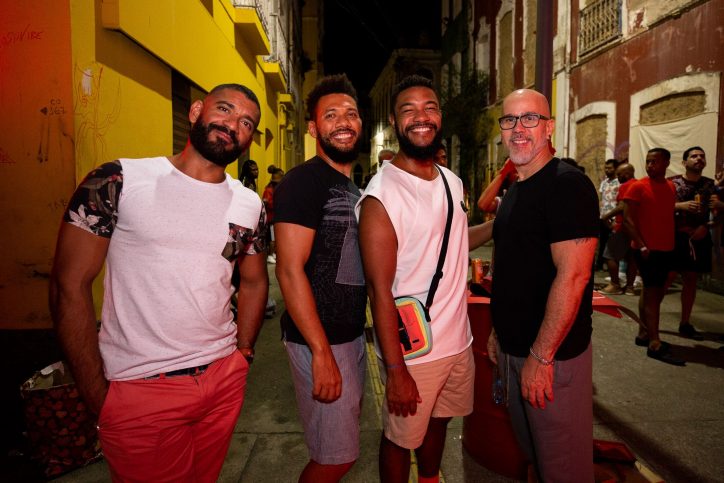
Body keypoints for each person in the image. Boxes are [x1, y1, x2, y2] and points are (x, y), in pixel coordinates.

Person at [49, 83, 268, 481]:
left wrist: (243, 353)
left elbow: (253, 281)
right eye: (224, 109)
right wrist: (98, 396)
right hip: (141, 386)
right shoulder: (118, 180)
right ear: (196, 111)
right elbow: (69, 286)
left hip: (223, 381)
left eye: (246, 122)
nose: (233, 124)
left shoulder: (250, 204)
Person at [358, 75, 474, 483]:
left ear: (440, 116)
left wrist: (504, 223)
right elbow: (378, 292)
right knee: (400, 438)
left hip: (459, 341)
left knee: (440, 422)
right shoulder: (382, 197)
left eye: (430, 108)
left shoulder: (451, 180)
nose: (421, 117)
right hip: (415, 352)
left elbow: (456, 236)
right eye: (409, 110)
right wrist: (396, 370)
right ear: (394, 121)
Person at [487, 88, 599, 482]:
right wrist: (499, 332)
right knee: (536, 458)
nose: (518, 128)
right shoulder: (517, 188)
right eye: (509, 120)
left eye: (530, 118)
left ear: (549, 127)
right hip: (515, 352)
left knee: (563, 469)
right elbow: (514, 267)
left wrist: (542, 355)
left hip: (552, 359)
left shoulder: (567, 185)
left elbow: (574, 276)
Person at [273, 74, 367, 483]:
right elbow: (289, 269)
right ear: (313, 128)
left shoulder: (351, 187)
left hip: (349, 337)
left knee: (338, 449)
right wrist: (322, 352)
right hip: (322, 341)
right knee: (334, 459)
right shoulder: (303, 182)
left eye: (350, 113)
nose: (343, 122)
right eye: (331, 115)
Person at [623, 148, 684, 365]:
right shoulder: (638, 186)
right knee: (652, 293)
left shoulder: (670, 187)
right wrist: (641, 245)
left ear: (666, 163)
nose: (650, 165)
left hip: (666, 248)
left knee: (652, 292)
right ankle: (655, 341)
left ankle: (643, 333)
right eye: (648, 161)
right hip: (647, 250)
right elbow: (628, 219)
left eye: (654, 162)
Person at [668, 147, 724, 340]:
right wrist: (679, 205)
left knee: (691, 280)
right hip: (674, 237)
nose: (699, 158)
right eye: (694, 156)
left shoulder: (710, 185)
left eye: (702, 156)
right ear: (684, 163)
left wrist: (707, 226)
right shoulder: (672, 183)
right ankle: (650, 325)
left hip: (699, 238)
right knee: (666, 279)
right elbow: (657, 206)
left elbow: (717, 213)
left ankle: (685, 323)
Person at [600, 163, 638, 295]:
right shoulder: (639, 184)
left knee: (609, 255)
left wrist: (605, 217)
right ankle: (630, 287)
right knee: (631, 258)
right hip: (635, 228)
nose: (618, 177)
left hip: (622, 226)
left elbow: (622, 206)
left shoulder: (626, 186)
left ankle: (615, 284)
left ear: (627, 174)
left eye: (619, 174)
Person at [598, 158, 620, 270]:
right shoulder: (604, 182)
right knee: (602, 241)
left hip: (614, 217)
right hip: (603, 217)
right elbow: (601, 199)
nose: (607, 170)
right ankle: (600, 264)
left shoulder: (620, 182)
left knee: (613, 243)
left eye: (610, 168)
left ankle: (611, 265)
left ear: (616, 169)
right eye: (606, 168)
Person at [262, 167, 284, 264]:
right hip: (271, 218)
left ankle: (274, 253)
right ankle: (270, 255)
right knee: (272, 238)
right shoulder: (269, 190)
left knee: (276, 237)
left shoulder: (276, 189)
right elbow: (269, 203)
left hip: (276, 217)